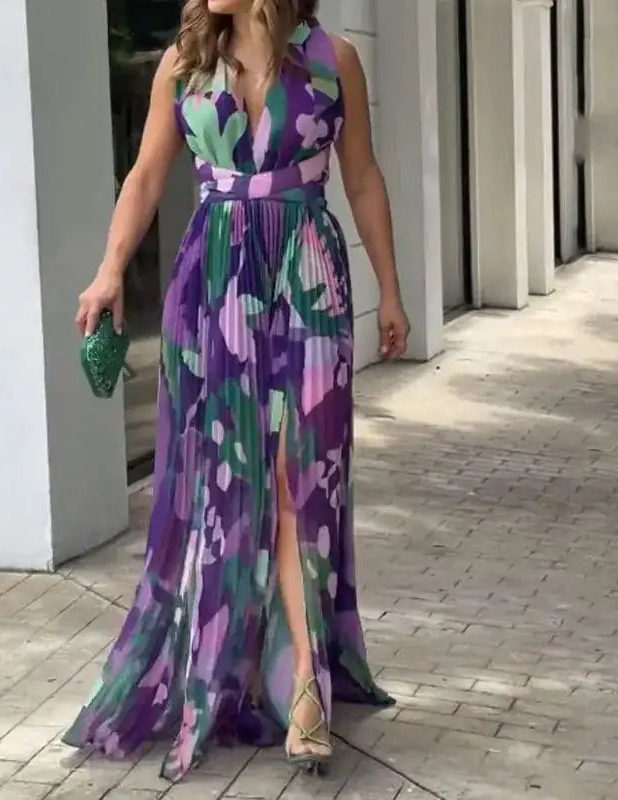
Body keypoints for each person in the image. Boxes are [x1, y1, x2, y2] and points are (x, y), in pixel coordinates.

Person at [67, 0, 409, 783]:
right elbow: (145, 177)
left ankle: (306, 684)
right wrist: (110, 270)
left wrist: (390, 290)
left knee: (303, 476)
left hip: (309, 278)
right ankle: (243, 662)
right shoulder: (185, 64)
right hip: (215, 287)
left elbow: (361, 177)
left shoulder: (333, 60)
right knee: (231, 484)